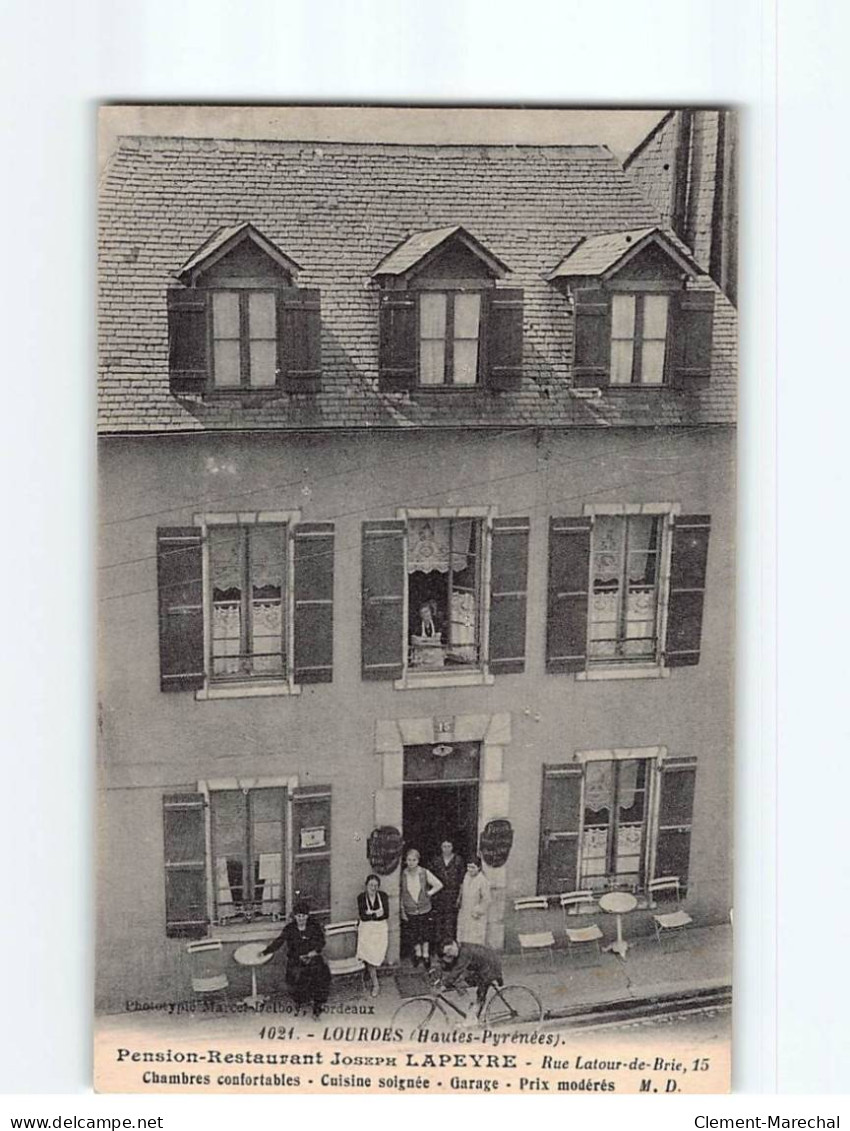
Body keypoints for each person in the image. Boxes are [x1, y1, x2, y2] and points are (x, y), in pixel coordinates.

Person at [260, 899, 330, 1019]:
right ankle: (300, 1000)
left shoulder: (314, 926)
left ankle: (317, 1006)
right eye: (298, 916)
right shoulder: (290, 928)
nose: (301, 918)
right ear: (295, 916)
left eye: (303, 916)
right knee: (296, 976)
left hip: (312, 957)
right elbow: (279, 941)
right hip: (296, 959)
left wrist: (314, 952)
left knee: (320, 973)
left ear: (307, 916)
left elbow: (321, 941)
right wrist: (266, 951)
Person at [439, 939, 503, 1021]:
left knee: (481, 991)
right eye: (447, 953)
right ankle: (473, 1007)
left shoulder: (465, 952)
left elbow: (458, 969)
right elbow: (452, 968)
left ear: (454, 944)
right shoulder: (459, 948)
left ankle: (474, 1017)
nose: (449, 953)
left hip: (491, 968)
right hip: (483, 967)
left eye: (450, 950)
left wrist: (445, 985)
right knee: (462, 982)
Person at [400, 848, 443, 969]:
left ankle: (426, 955)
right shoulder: (403, 874)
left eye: (414, 860)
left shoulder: (424, 872)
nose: (411, 862)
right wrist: (402, 908)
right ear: (405, 860)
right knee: (414, 933)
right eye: (409, 860)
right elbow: (401, 893)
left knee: (425, 933)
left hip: (424, 908)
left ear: (418, 860)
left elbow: (439, 884)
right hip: (410, 908)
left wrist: (428, 893)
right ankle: (417, 954)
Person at [356, 874, 390, 997]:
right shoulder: (361, 897)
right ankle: (376, 984)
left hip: (380, 930)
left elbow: (386, 914)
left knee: (377, 954)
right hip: (366, 930)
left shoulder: (383, 896)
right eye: (371, 885)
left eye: (376, 885)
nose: (373, 887)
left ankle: (368, 973)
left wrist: (371, 914)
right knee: (368, 954)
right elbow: (363, 916)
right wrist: (376, 914)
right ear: (366, 885)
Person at [429, 838, 465, 945]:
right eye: (444, 846)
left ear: (452, 847)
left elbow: (462, 880)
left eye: (449, 846)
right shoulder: (436, 860)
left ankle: (449, 947)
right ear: (441, 847)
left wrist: (459, 897)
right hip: (438, 895)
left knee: (450, 921)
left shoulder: (458, 860)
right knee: (439, 921)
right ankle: (439, 947)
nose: (446, 849)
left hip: (452, 895)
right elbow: (430, 878)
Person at [456, 856, 490, 946]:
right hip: (465, 910)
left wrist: (478, 910)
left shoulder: (483, 880)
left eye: (473, 867)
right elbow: (462, 890)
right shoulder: (466, 876)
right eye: (468, 867)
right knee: (463, 935)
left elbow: (486, 899)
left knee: (475, 938)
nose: (470, 870)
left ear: (478, 867)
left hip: (475, 914)